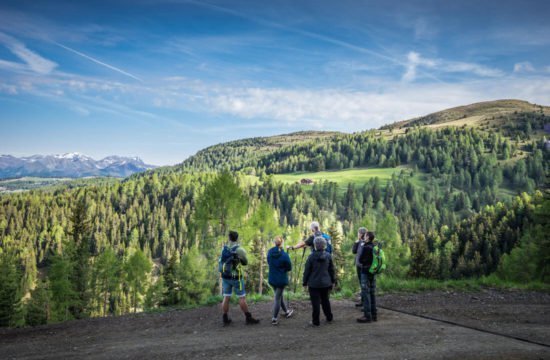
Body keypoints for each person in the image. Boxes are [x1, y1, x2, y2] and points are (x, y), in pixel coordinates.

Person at [219, 230, 260, 326]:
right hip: (236, 278)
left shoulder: (224, 248)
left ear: (229, 238)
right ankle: (248, 317)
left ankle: (225, 318)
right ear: (237, 238)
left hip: (225, 277)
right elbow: (245, 263)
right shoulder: (239, 250)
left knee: (226, 297)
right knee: (242, 298)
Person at [302, 235, 335, 327]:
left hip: (314, 284)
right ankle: (329, 317)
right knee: (325, 301)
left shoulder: (311, 257)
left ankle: (316, 321)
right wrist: (333, 281)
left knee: (315, 303)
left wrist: (304, 282)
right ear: (324, 245)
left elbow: (307, 271)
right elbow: (331, 270)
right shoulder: (328, 256)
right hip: (326, 283)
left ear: (315, 245)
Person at [267, 236, 294, 325]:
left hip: (272, 278)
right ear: (281, 243)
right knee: (278, 298)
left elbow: (268, 262)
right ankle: (274, 318)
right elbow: (289, 267)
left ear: (274, 243)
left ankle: (286, 312)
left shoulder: (270, 252)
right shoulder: (284, 255)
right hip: (281, 279)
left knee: (279, 295)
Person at [356, 231, 378, 323]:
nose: (364, 237)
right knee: (372, 293)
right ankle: (374, 315)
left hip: (365, 271)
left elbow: (360, 259)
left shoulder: (366, 247)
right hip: (373, 272)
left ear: (368, 237)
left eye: (365, 236)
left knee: (366, 293)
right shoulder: (374, 247)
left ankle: (367, 316)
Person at [352, 227, 368, 308]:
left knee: (364, 285)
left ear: (361, 234)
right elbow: (354, 251)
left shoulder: (365, 242)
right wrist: (356, 242)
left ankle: (366, 304)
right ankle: (363, 301)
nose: (357, 234)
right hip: (359, 266)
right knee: (362, 284)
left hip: (363, 267)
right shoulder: (359, 242)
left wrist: (357, 242)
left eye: (358, 233)